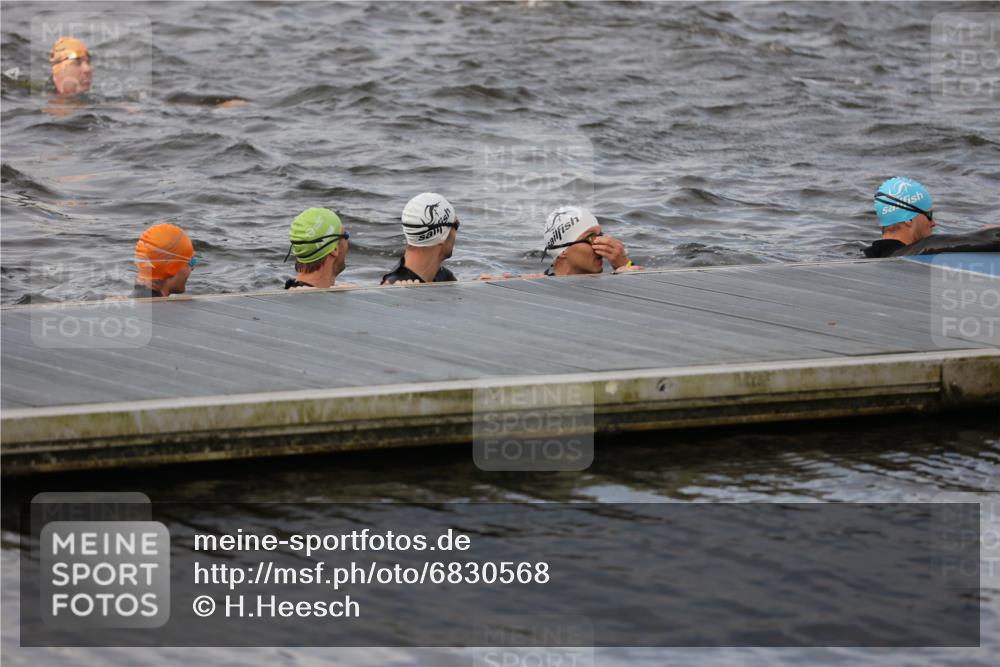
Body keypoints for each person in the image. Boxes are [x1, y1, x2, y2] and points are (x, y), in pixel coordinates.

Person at [864, 176, 999, 257]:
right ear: (908, 219)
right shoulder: (921, 250)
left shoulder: (869, 256)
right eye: (929, 215)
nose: (933, 223)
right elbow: (988, 239)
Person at [381, 193, 459, 285]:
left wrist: (478, 286)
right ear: (442, 234)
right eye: (456, 225)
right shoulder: (394, 287)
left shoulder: (442, 276)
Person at [539, 206, 640, 276]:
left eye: (600, 236)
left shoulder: (618, 278)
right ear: (562, 251)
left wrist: (626, 265)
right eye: (591, 238)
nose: (601, 243)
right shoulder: (535, 286)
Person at [284, 207, 350, 289]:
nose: (348, 242)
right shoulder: (323, 301)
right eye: (346, 235)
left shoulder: (286, 293)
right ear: (334, 249)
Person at [132, 223, 196, 298]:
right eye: (192, 261)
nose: (193, 268)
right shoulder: (169, 309)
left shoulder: (123, 304)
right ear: (171, 267)